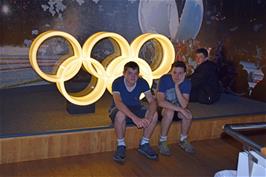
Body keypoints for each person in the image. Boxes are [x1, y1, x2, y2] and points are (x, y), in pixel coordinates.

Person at [109, 61, 158, 163]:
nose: (133, 76)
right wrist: (134, 118)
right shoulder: (117, 82)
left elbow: (152, 101)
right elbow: (118, 103)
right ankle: (121, 145)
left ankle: (144, 144)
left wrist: (148, 118)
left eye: (135, 73)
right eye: (130, 73)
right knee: (121, 114)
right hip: (118, 109)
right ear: (124, 73)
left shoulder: (142, 82)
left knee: (155, 114)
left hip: (136, 107)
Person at [157, 61, 195, 155]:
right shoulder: (165, 79)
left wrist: (177, 87)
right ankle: (162, 141)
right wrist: (180, 109)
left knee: (188, 115)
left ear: (185, 74)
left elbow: (184, 105)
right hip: (163, 110)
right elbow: (161, 102)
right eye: (174, 72)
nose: (176, 76)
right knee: (170, 112)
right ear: (171, 72)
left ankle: (183, 139)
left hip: (177, 109)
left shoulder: (187, 82)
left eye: (180, 73)